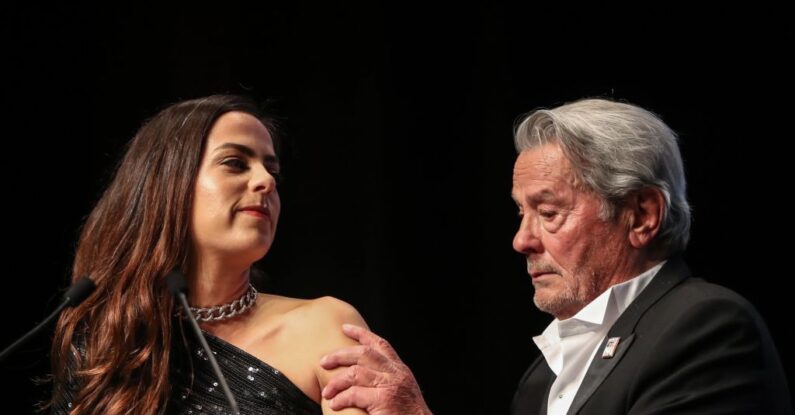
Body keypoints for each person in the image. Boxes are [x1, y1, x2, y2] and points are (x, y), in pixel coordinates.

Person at [319, 98, 792, 414]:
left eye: (548, 212)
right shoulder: (542, 376)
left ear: (642, 215)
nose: (522, 240)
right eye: (520, 213)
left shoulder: (707, 326)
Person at [49, 95, 368, 415]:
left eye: (273, 171)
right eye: (235, 163)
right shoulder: (106, 340)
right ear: (169, 184)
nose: (266, 181)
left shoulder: (325, 328)